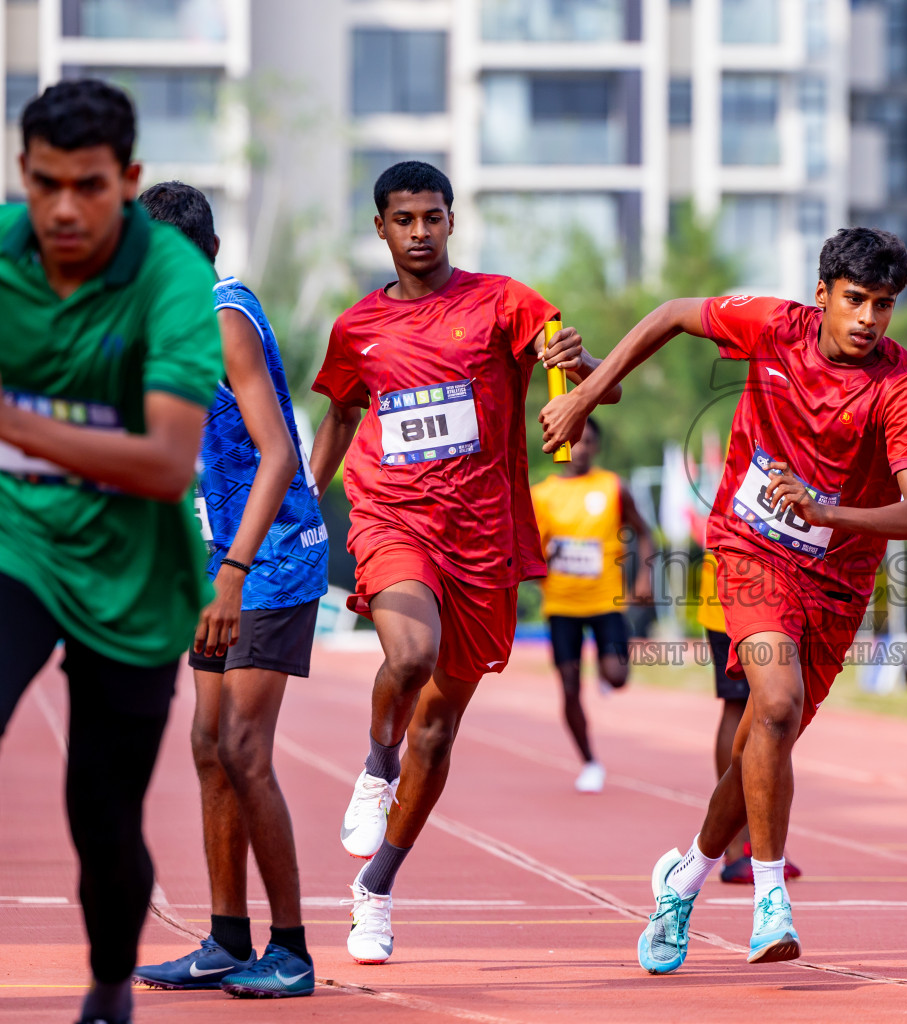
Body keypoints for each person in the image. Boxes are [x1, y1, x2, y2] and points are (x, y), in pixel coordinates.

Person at [539, 227, 907, 972]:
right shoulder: (773, 326)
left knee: (766, 736)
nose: (868, 320)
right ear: (822, 296)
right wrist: (589, 391)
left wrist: (828, 515)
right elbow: (669, 315)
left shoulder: (902, 386)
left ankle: (683, 879)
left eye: (883, 306)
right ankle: (767, 900)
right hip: (750, 553)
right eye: (855, 301)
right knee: (775, 704)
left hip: (837, 581)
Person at [308, 160, 619, 965]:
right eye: (403, 219)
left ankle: (374, 890)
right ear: (380, 228)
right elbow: (341, 413)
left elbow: (590, 384)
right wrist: (306, 493)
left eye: (433, 217)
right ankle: (376, 772)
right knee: (407, 655)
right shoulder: (355, 330)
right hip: (391, 518)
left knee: (439, 733)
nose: (419, 232)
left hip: (482, 537)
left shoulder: (505, 302)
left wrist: (578, 370)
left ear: (452, 221)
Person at [0, 81, 223, 1024]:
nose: (62, 208)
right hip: (17, 546)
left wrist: (16, 424)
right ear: (24, 174)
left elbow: (170, 463)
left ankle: (106, 984)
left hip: (135, 576)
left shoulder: (171, 281)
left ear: (127, 182)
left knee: (102, 813)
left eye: (87, 187)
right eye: (44, 182)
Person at [131, 182, 328, 998]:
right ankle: (224, 939)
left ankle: (292, 950)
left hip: (272, 559)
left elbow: (279, 454)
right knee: (209, 747)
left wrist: (235, 576)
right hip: (225, 560)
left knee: (245, 750)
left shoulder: (222, 319)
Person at [530, 418, 654, 793]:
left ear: (597, 447)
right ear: (562, 444)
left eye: (588, 441)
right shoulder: (543, 495)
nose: (581, 448)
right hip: (562, 604)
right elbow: (530, 551)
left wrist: (645, 577)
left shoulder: (612, 487)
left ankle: (605, 670)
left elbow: (644, 533)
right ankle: (589, 762)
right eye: (575, 441)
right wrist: (542, 564)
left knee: (617, 677)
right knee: (569, 686)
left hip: (605, 601)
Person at [699, 552, 801, 884]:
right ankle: (734, 847)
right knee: (737, 703)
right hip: (735, 585)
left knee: (773, 710)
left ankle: (764, 848)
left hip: (779, 589)